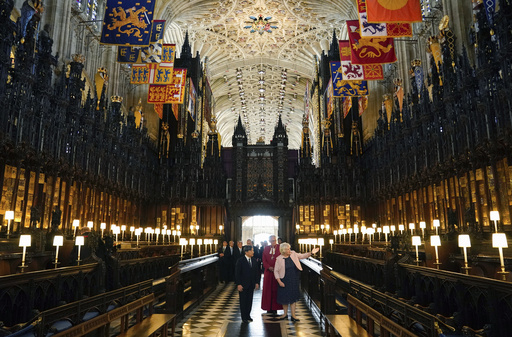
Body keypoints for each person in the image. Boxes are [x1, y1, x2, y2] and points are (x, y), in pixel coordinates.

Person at [274, 242, 319, 321]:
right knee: (284, 298)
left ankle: (293, 315)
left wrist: (311, 253)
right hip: (283, 279)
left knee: (293, 297)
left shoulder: (293, 254)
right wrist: (279, 281)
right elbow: (276, 271)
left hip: (293, 279)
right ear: (283, 250)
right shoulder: (279, 258)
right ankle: (284, 314)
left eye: (289, 248)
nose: (289, 250)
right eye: (288, 249)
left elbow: (302, 256)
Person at [235, 245, 260, 323]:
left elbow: (257, 272)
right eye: (251, 250)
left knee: (249, 301)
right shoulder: (240, 260)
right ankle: (244, 317)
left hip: (251, 284)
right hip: (243, 284)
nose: (253, 252)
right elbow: (237, 273)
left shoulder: (254, 260)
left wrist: (257, 282)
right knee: (243, 301)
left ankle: (248, 315)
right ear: (246, 252)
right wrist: (238, 284)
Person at [261, 235, 282, 314]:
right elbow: (264, 260)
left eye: (274, 240)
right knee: (267, 290)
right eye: (272, 241)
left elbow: (282, 258)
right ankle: (268, 307)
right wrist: (268, 267)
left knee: (275, 289)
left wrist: (276, 268)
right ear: (269, 241)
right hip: (268, 272)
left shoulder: (280, 247)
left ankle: (275, 307)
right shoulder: (266, 248)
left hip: (277, 272)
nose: (273, 242)